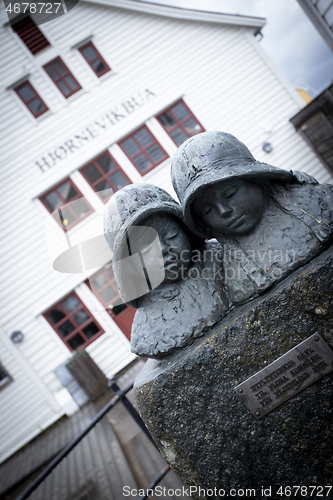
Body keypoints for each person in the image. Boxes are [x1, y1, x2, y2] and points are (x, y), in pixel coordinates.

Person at [171, 131, 333, 305]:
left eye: (230, 193)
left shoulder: (319, 202)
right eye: (208, 210)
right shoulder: (230, 272)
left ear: (256, 179)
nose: (223, 211)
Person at [103, 183, 230, 358]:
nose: (164, 249)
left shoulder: (228, 258)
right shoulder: (147, 332)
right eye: (146, 248)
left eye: (171, 236)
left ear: (186, 230)